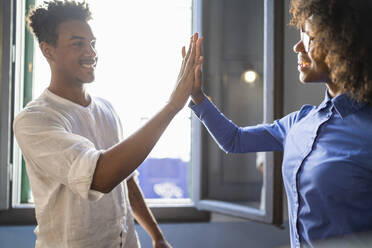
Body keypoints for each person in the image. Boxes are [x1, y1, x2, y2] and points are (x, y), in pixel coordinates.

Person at [13, 1, 203, 247]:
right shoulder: (35, 120)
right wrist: (172, 105)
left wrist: (157, 236)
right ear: (48, 50)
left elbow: (124, 179)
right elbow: (100, 177)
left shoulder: (106, 109)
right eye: (78, 44)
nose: (91, 53)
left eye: (92, 43)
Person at [189, 0, 372, 247]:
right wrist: (198, 96)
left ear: (344, 45)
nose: (297, 46)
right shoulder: (298, 123)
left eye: (309, 37)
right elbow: (234, 140)